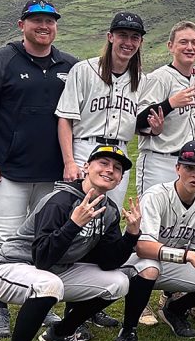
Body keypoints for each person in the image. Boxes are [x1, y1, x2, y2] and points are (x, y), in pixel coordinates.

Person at [0, 145, 140, 341]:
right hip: (12, 268)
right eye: (103, 163)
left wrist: (131, 235)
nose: (110, 170)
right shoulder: (59, 200)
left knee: (119, 282)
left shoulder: (109, 210)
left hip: (54, 271)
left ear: (120, 179)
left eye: (117, 169)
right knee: (49, 284)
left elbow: (108, 262)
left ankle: (59, 334)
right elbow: (41, 258)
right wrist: (73, 224)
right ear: (86, 168)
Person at [0, 0, 77, 339]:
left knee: (47, 241)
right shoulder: (1, 60)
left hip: (53, 174)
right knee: (2, 241)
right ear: (21, 25)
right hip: (9, 173)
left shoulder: (69, 65)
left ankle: (42, 303)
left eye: (49, 21)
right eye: (36, 21)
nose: (43, 26)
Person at [114, 141, 195, 341]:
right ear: (177, 168)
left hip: (174, 262)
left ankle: (174, 309)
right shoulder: (156, 195)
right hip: (136, 261)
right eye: (188, 167)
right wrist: (188, 256)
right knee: (150, 268)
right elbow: (143, 247)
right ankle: (127, 333)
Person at [55, 11, 145, 206]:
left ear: (140, 43)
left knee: (109, 215)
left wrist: (154, 127)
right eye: (122, 35)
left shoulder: (141, 80)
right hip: (85, 149)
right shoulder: (84, 70)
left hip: (119, 153)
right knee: (74, 212)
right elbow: (65, 118)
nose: (128, 42)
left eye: (134, 37)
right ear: (110, 37)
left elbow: (139, 124)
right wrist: (69, 161)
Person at [134, 21, 195, 194]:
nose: (190, 47)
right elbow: (137, 120)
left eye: (194, 43)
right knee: (150, 217)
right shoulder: (159, 78)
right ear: (170, 46)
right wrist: (170, 104)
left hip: (190, 164)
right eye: (183, 42)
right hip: (159, 161)